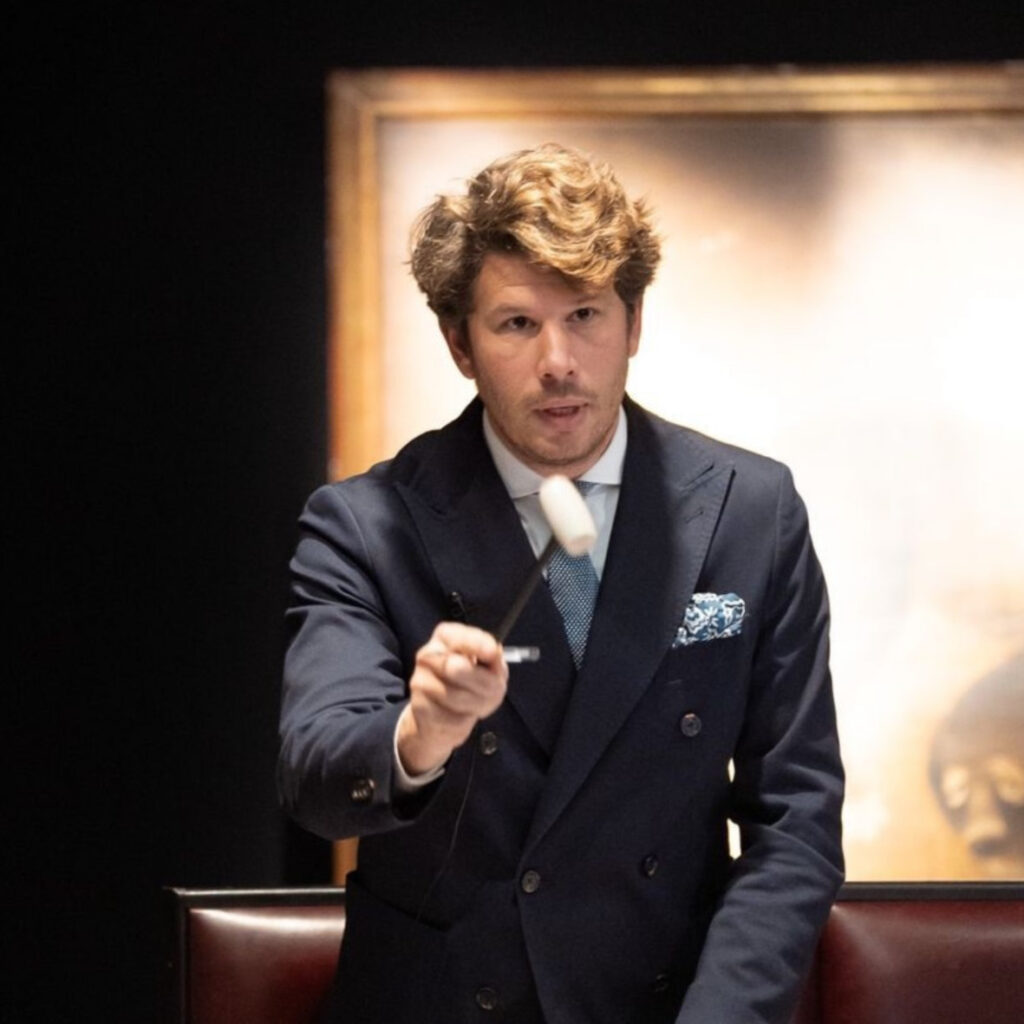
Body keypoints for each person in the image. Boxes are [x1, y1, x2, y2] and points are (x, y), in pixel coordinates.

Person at [278, 142, 844, 1024]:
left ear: (634, 323)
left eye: (585, 315)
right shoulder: (365, 525)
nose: (558, 361)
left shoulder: (751, 511)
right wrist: (419, 736)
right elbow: (316, 780)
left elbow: (795, 820)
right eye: (516, 324)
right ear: (460, 344)